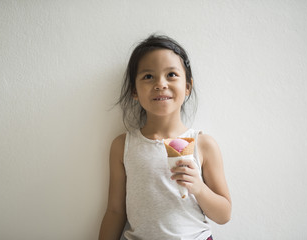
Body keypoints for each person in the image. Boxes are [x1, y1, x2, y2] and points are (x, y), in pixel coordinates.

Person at [99, 34, 231, 240]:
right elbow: (115, 211)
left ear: (187, 87)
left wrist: (199, 188)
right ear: (134, 90)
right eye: (148, 76)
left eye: (171, 75)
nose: (161, 84)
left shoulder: (203, 144)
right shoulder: (122, 145)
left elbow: (224, 214)